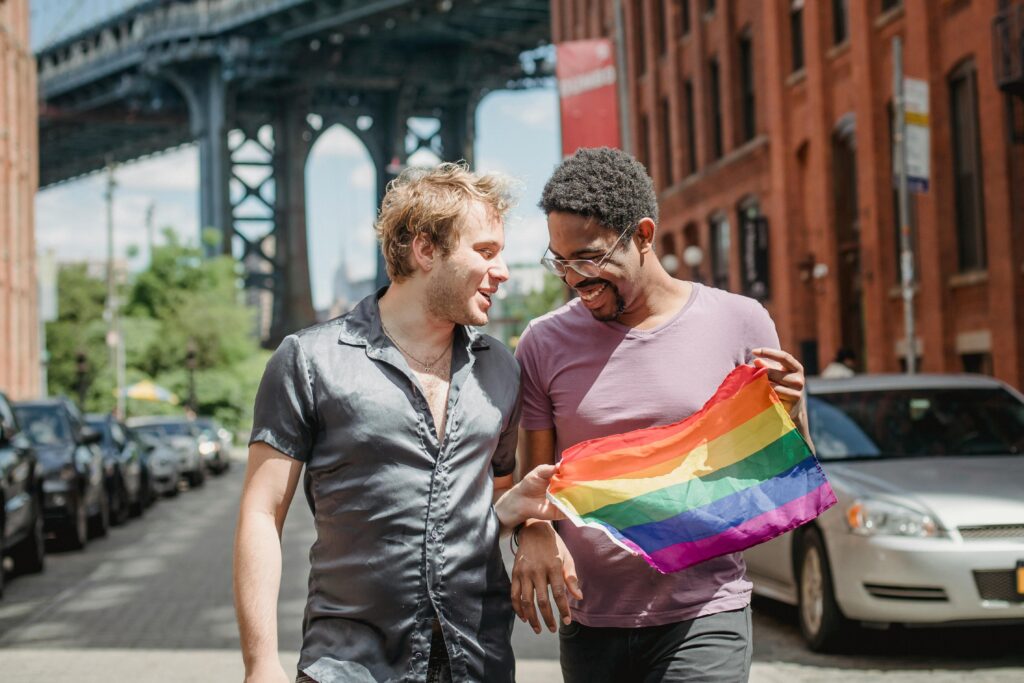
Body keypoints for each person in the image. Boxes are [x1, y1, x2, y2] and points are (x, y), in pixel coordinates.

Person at [233, 163, 563, 683]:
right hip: (349, 666)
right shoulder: (309, 360)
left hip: (477, 661)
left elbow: (486, 507)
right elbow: (261, 514)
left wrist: (528, 522)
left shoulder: (501, 367)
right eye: (485, 252)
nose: (502, 271)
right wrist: (259, 664)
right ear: (425, 249)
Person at [511, 147, 811, 683]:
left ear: (643, 235)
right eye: (560, 261)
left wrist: (790, 408)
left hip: (705, 614)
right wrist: (533, 530)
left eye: (590, 258)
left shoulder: (739, 322)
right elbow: (538, 486)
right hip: (590, 621)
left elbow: (782, 478)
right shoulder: (542, 343)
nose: (574, 279)